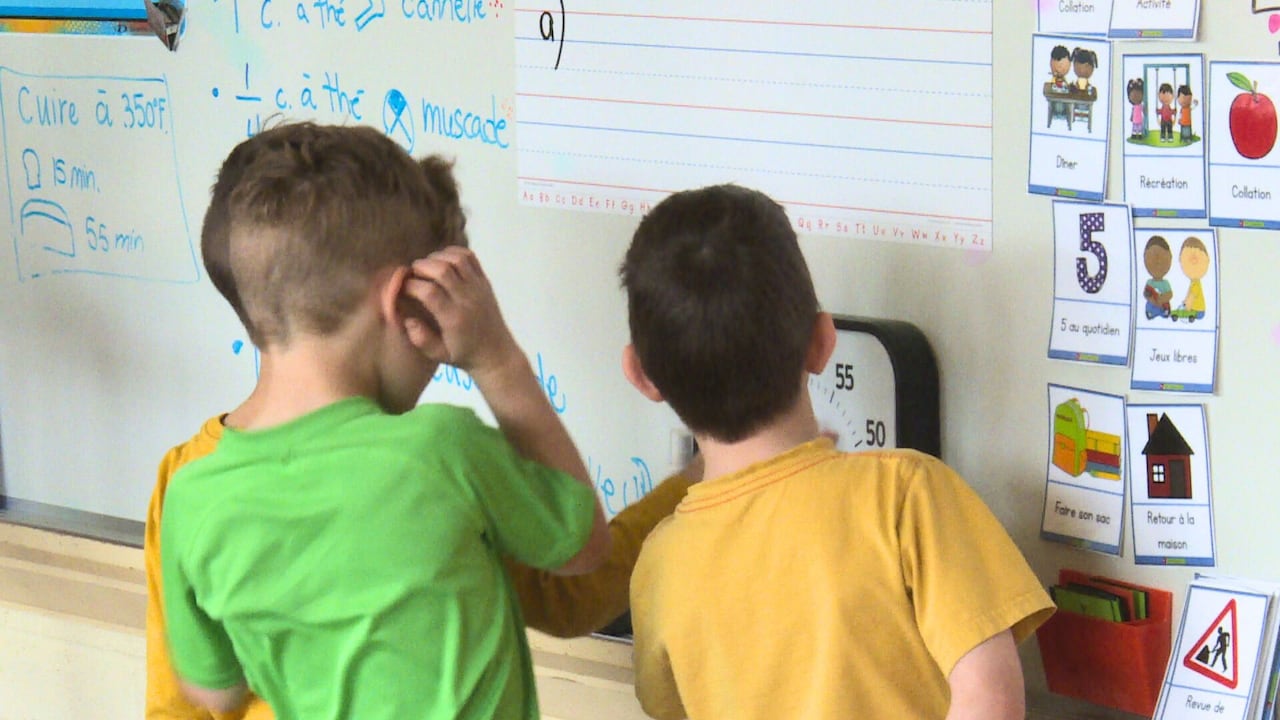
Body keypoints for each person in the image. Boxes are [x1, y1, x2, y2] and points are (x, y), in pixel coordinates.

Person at [158, 121, 612, 719]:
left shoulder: (189, 499)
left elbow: (214, 692)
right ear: (402, 299)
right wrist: (496, 357)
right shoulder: (441, 450)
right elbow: (582, 547)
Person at [618, 184, 1055, 720]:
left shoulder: (659, 564)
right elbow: (990, 698)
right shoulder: (907, 495)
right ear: (823, 342)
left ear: (642, 375)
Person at [1142, 235, 1174, 320]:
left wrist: (1161, 299)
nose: (1158, 262)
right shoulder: (1150, 282)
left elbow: (1169, 294)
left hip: (1163, 307)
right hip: (1152, 307)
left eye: (1162, 258)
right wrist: (1152, 300)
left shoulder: (1165, 283)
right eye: (1153, 258)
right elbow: (1146, 294)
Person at [1177, 236, 1209, 320]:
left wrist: (1186, 306)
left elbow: (1191, 297)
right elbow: (1189, 296)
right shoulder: (1194, 283)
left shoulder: (1195, 284)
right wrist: (1185, 302)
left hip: (1198, 311)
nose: (1193, 261)